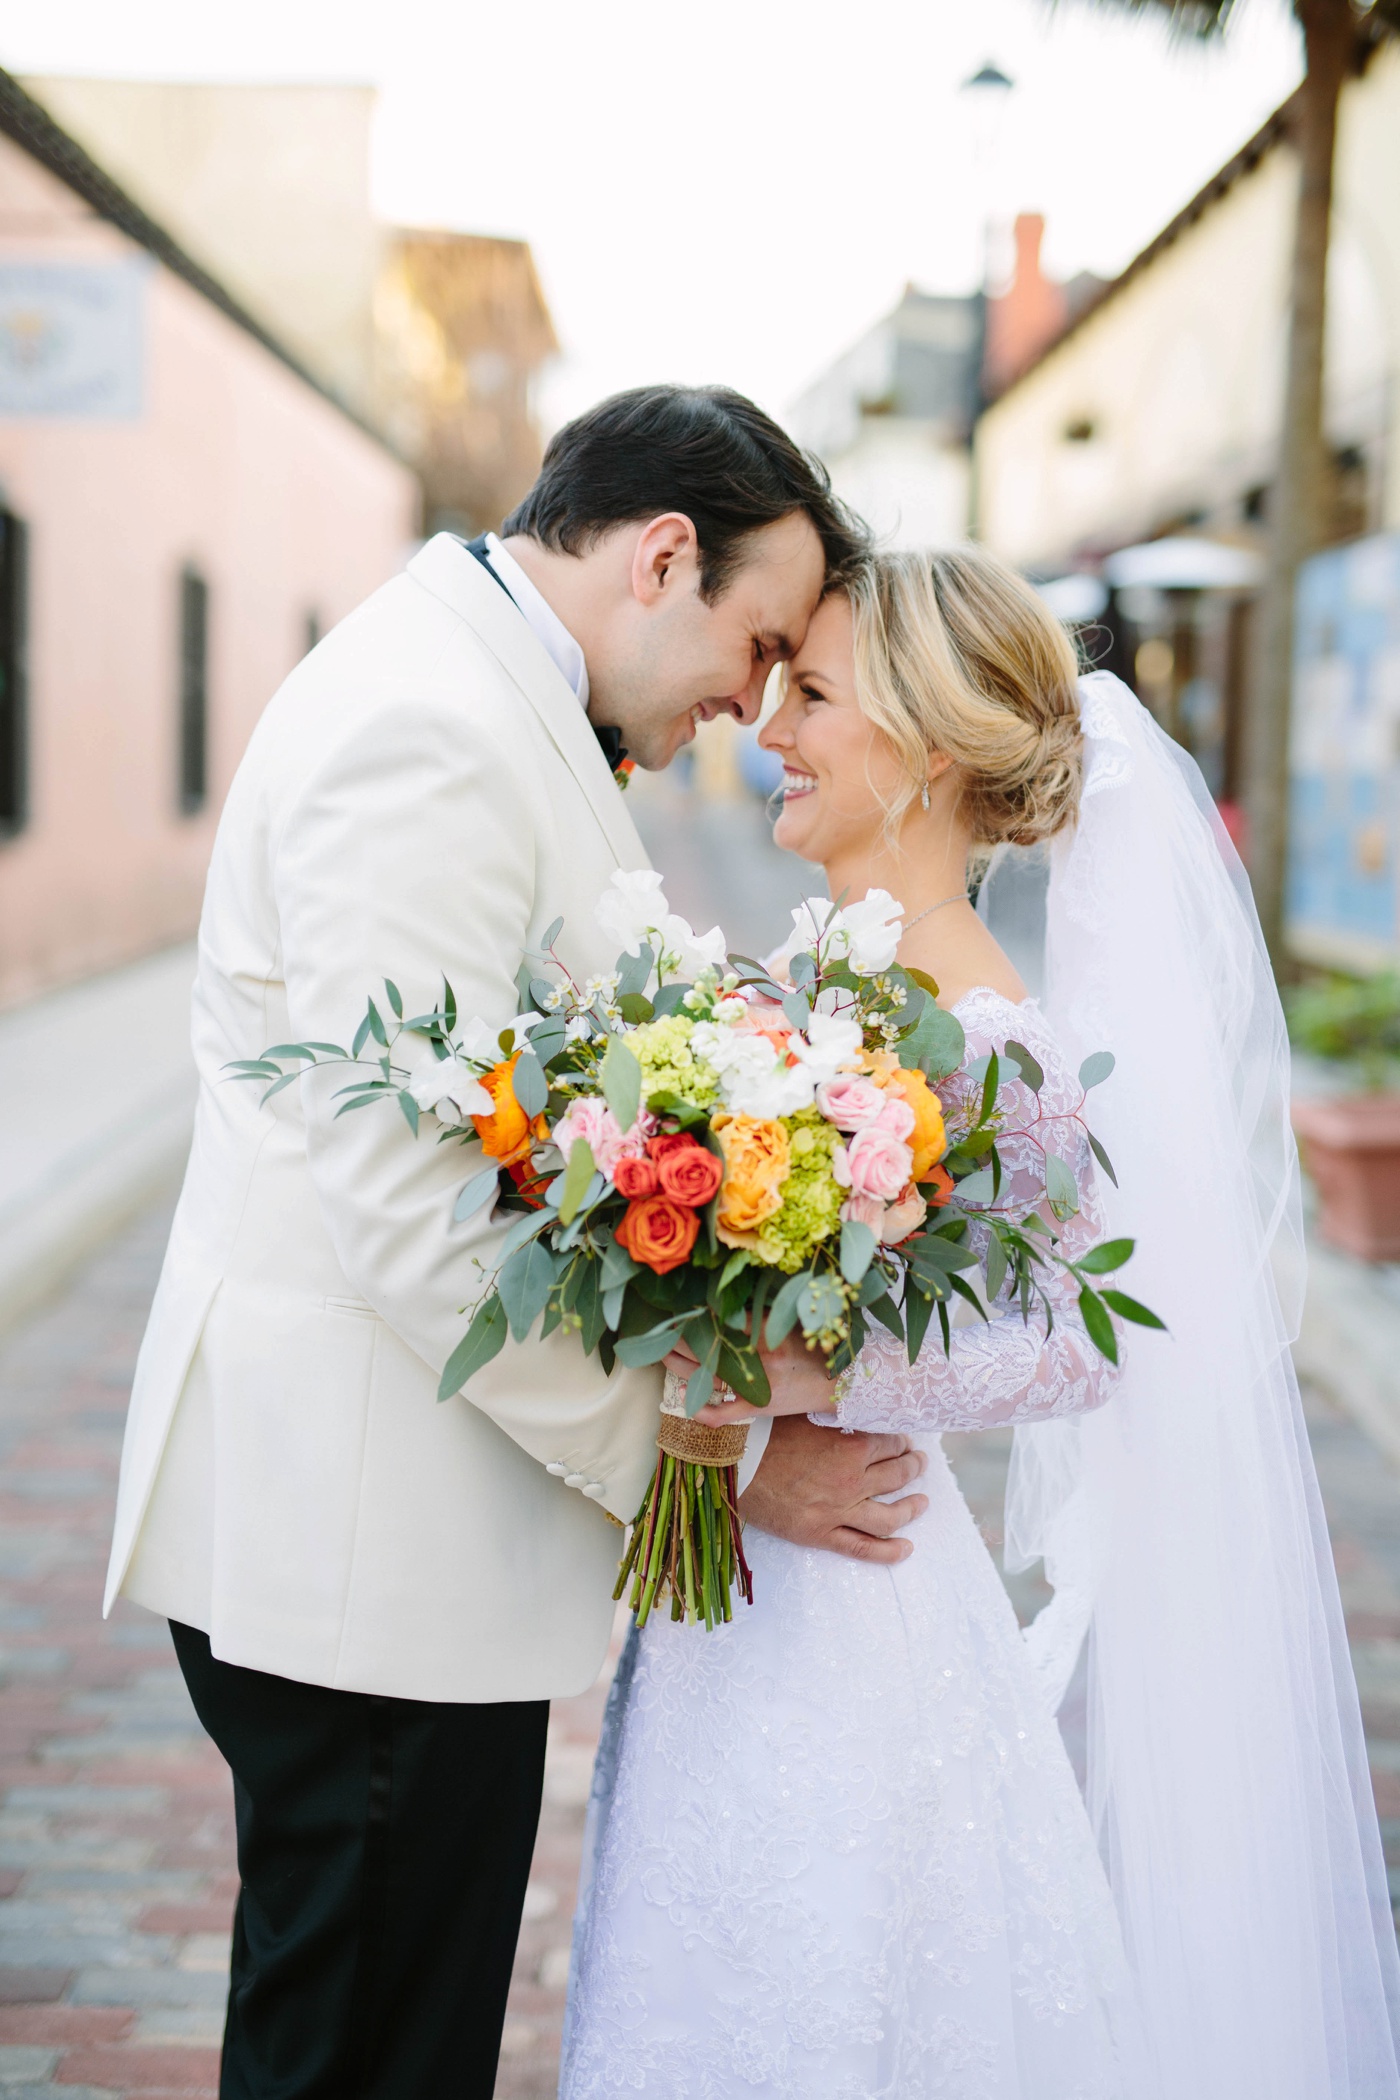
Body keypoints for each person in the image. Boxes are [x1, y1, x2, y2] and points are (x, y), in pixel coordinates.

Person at [102, 385, 930, 2100]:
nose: (749, 703)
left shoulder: (480, 695)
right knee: (364, 2053)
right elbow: (414, 1213)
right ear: (663, 554)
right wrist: (704, 1466)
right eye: (759, 640)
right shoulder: (432, 729)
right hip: (362, 1561)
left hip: (394, 1552)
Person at [561, 550, 1400, 2098]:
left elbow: (1083, 1336)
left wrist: (815, 1363)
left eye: (810, 697)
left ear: (929, 754)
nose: (769, 731)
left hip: (861, 1601)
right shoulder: (810, 976)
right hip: (745, 1594)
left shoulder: (996, 1031)